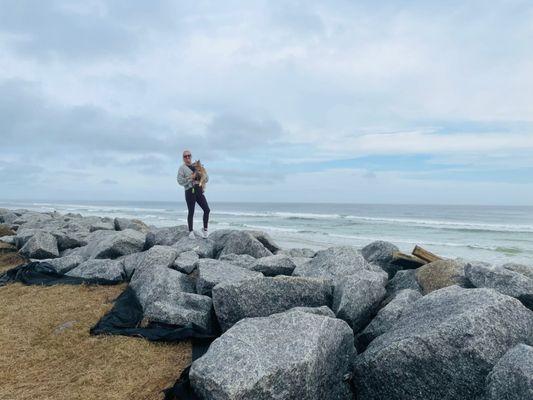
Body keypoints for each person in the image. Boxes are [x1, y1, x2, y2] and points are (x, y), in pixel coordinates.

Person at [177, 150, 210, 239]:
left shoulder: (197, 166)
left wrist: (202, 176)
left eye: (189, 156)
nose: (187, 157)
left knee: (207, 209)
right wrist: (190, 179)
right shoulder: (182, 168)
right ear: (183, 158)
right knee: (191, 212)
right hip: (189, 191)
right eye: (185, 156)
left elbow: (206, 179)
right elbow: (179, 181)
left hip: (199, 190)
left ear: (191, 156)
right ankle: (191, 231)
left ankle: (205, 229)